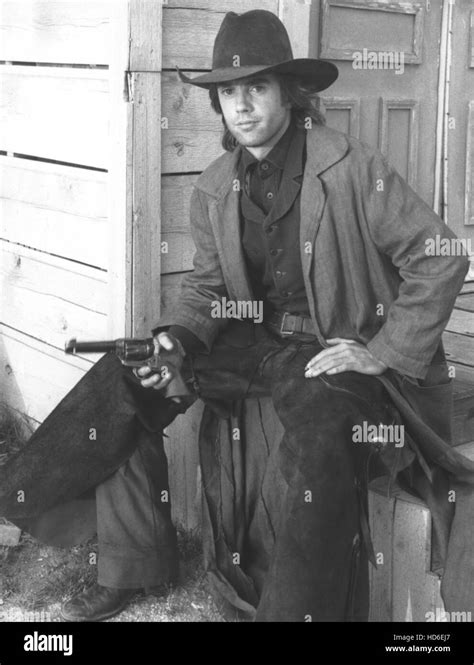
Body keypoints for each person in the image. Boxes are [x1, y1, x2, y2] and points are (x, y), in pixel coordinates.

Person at [0, 9, 472, 622]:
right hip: (252, 343)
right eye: (228, 92)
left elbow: (440, 258)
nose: (241, 105)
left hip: (332, 350)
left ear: (290, 93)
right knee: (130, 377)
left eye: (257, 87)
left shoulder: (353, 168)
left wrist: (380, 350)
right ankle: (128, 559)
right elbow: (206, 287)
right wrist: (173, 340)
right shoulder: (217, 184)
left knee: (318, 438)